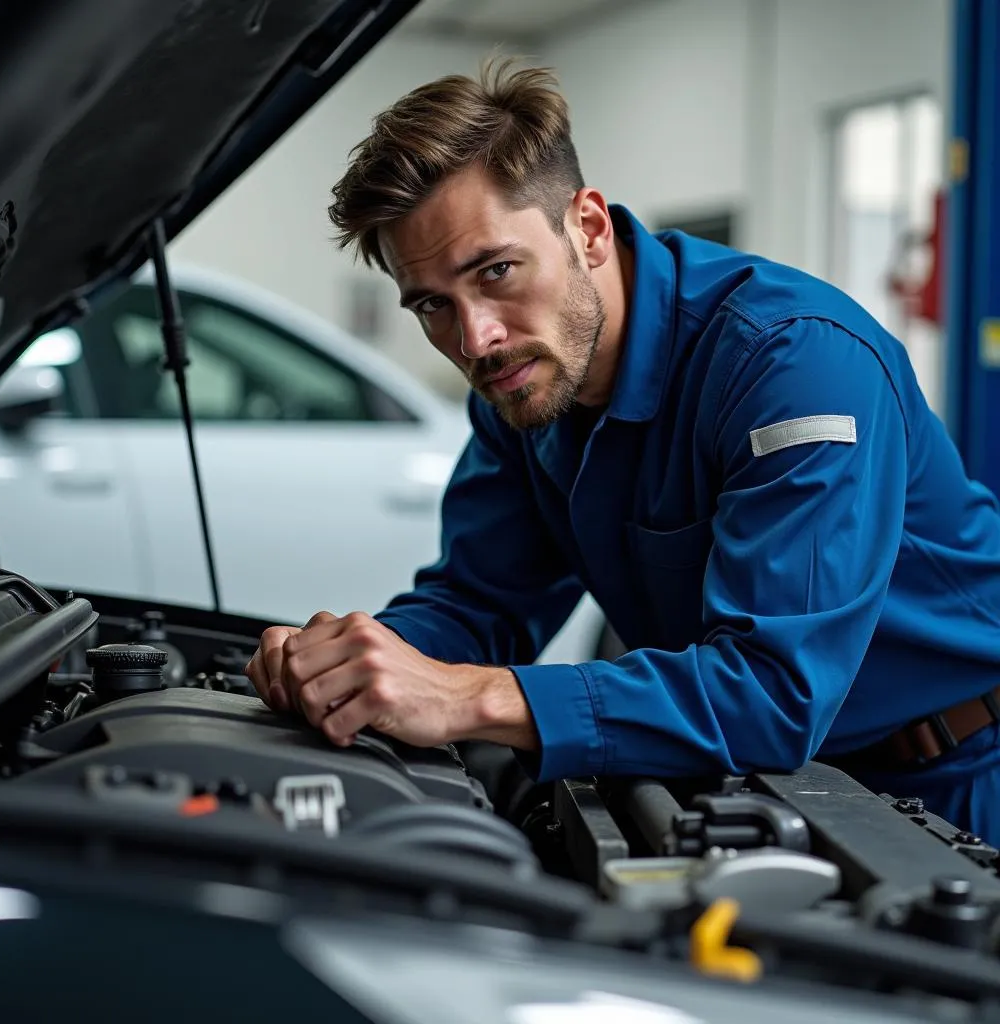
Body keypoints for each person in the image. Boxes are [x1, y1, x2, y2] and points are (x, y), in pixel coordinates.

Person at [245, 58, 1000, 845]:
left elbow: (774, 695)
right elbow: (481, 603)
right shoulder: (524, 384)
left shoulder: (795, 364)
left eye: (497, 271)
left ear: (589, 228)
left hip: (959, 779)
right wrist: (359, 668)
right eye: (434, 304)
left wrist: (469, 696)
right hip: (781, 788)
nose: (475, 339)